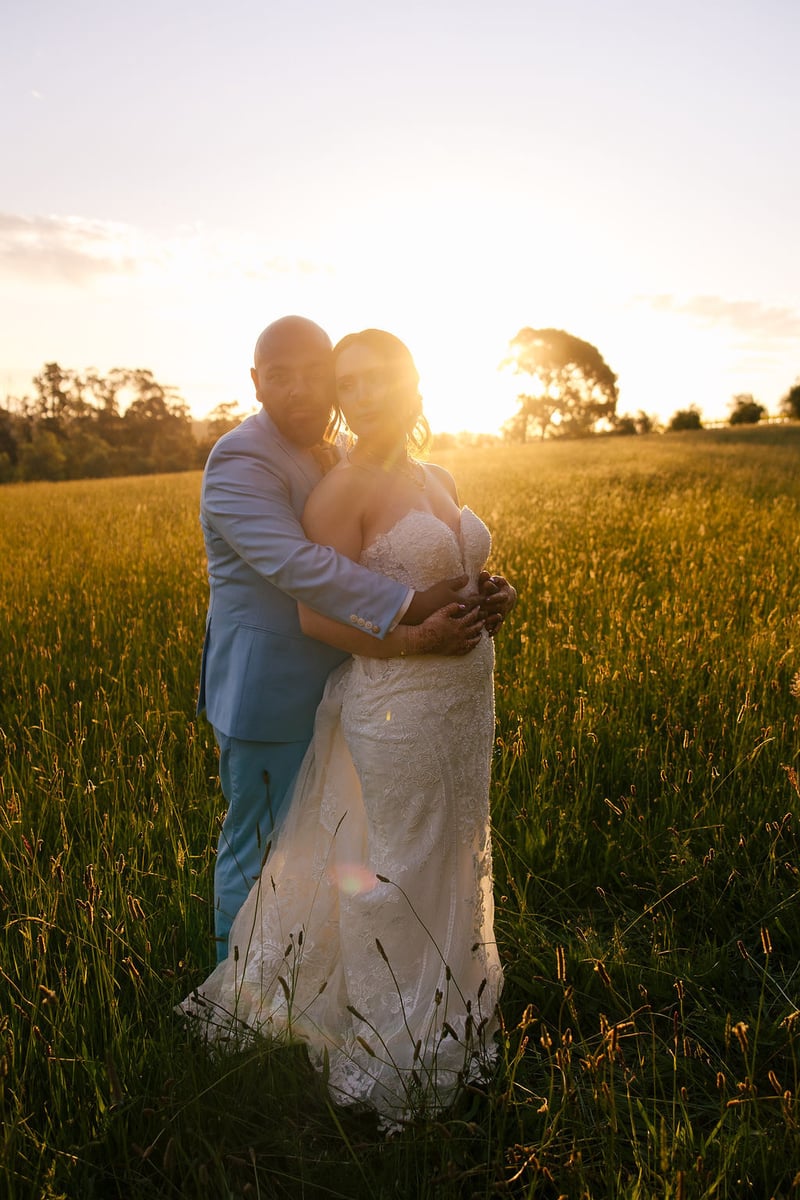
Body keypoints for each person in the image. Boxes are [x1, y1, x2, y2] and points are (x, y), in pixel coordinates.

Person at [182, 328, 512, 1125]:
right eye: (284, 377)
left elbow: (426, 561)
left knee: (368, 848)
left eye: (323, 377)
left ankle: (433, 1006)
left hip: (427, 697)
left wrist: (481, 589)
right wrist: (411, 620)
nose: (313, 392)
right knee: (266, 845)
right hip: (283, 683)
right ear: (256, 381)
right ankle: (256, 1012)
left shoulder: (380, 462)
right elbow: (304, 575)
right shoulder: (245, 460)